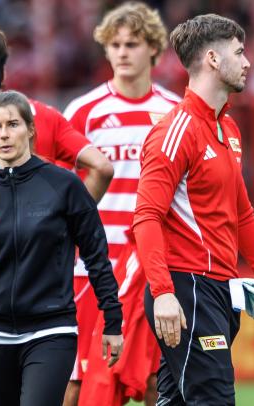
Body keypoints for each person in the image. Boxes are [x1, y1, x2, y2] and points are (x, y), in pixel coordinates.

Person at [0, 23, 114, 406]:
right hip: (35, 285)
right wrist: (66, 220)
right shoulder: (42, 115)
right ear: (5, 72)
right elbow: (100, 166)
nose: (4, 133)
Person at [133, 14, 254, 405]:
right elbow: (146, 216)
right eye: (239, 53)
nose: (248, 63)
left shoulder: (229, 131)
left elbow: (243, 215)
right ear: (211, 58)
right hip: (186, 289)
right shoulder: (177, 130)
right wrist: (163, 292)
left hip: (220, 290)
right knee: (215, 400)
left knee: (178, 400)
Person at [62, 3, 179, 405]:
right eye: (115, 44)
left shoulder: (173, 113)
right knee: (77, 379)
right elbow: (61, 188)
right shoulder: (83, 111)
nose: (123, 52)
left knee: (154, 379)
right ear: (106, 51)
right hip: (92, 265)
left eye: (133, 43)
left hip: (150, 263)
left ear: (153, 49)